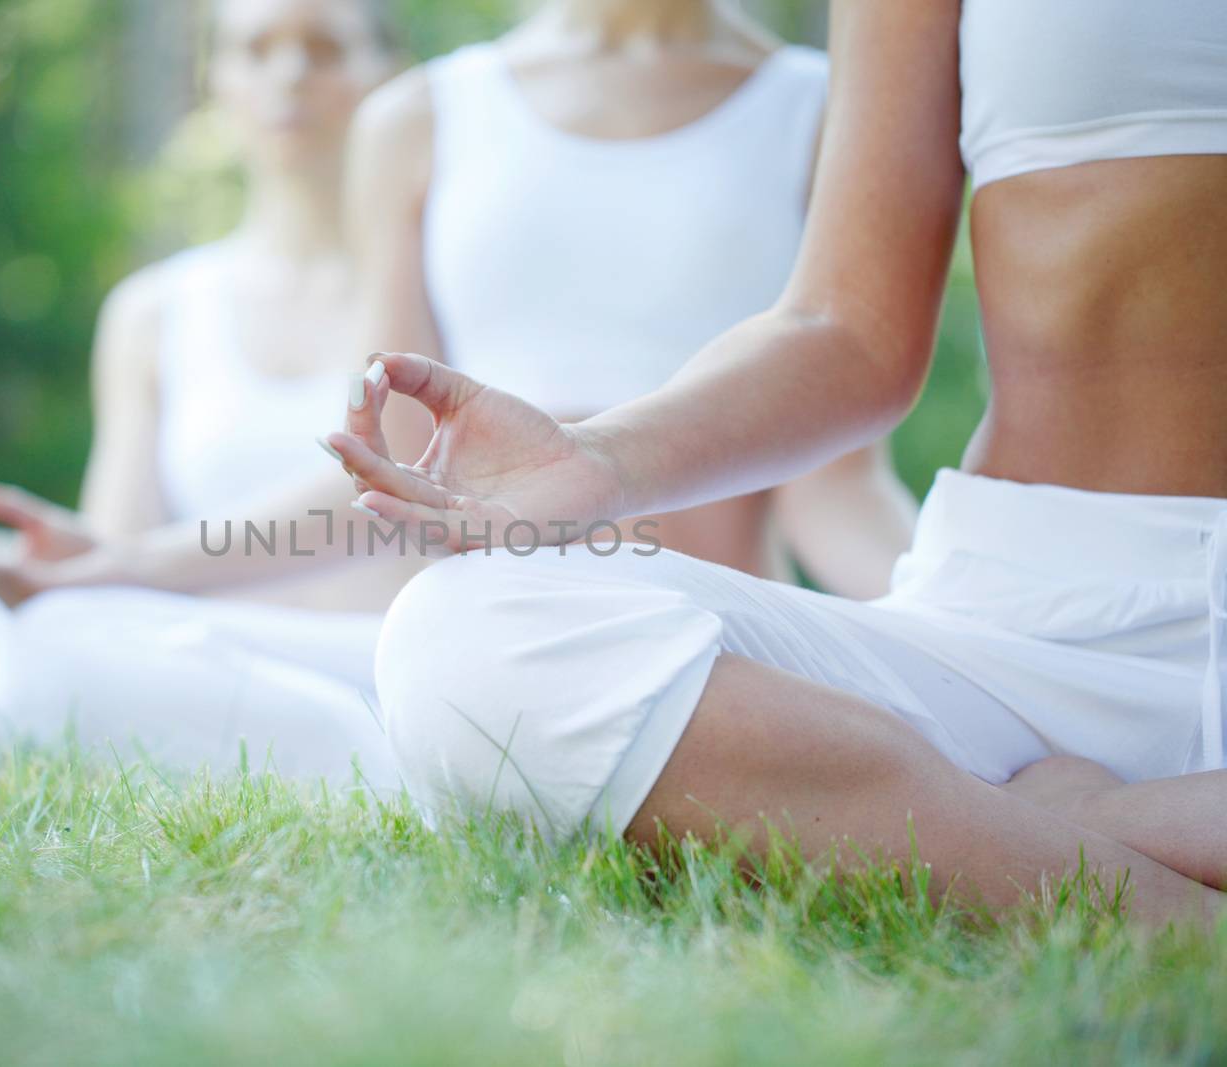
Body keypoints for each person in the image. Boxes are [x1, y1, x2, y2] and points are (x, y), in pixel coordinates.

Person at [328, 0, 1227, 923]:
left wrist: (1079, 812)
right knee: (467, 637)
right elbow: (847, 331)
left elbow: (838, 498)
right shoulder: (433, 113)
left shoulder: (780, 97)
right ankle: (1170, 923)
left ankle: (1064, 828)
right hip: (1036, 626)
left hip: (1042, 757)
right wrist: (599, 460)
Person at [0, 0, 411, 782]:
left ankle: (341, 762)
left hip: (362, 664)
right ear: (218, 79)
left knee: (63, 655)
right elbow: (107, 559)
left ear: (392, 78)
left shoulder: (437, 289)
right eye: (257, 48)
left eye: (326, 48)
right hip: (178, 665)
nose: (291, 75)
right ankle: (195, 753)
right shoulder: (155, 312)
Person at [351, 0, 914, 597]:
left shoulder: (825, 110)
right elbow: (393, 466)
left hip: (718, 624)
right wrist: (236, 549)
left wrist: (954, 630)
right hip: (484, 617)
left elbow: (836, 490)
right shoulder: (417, 117)